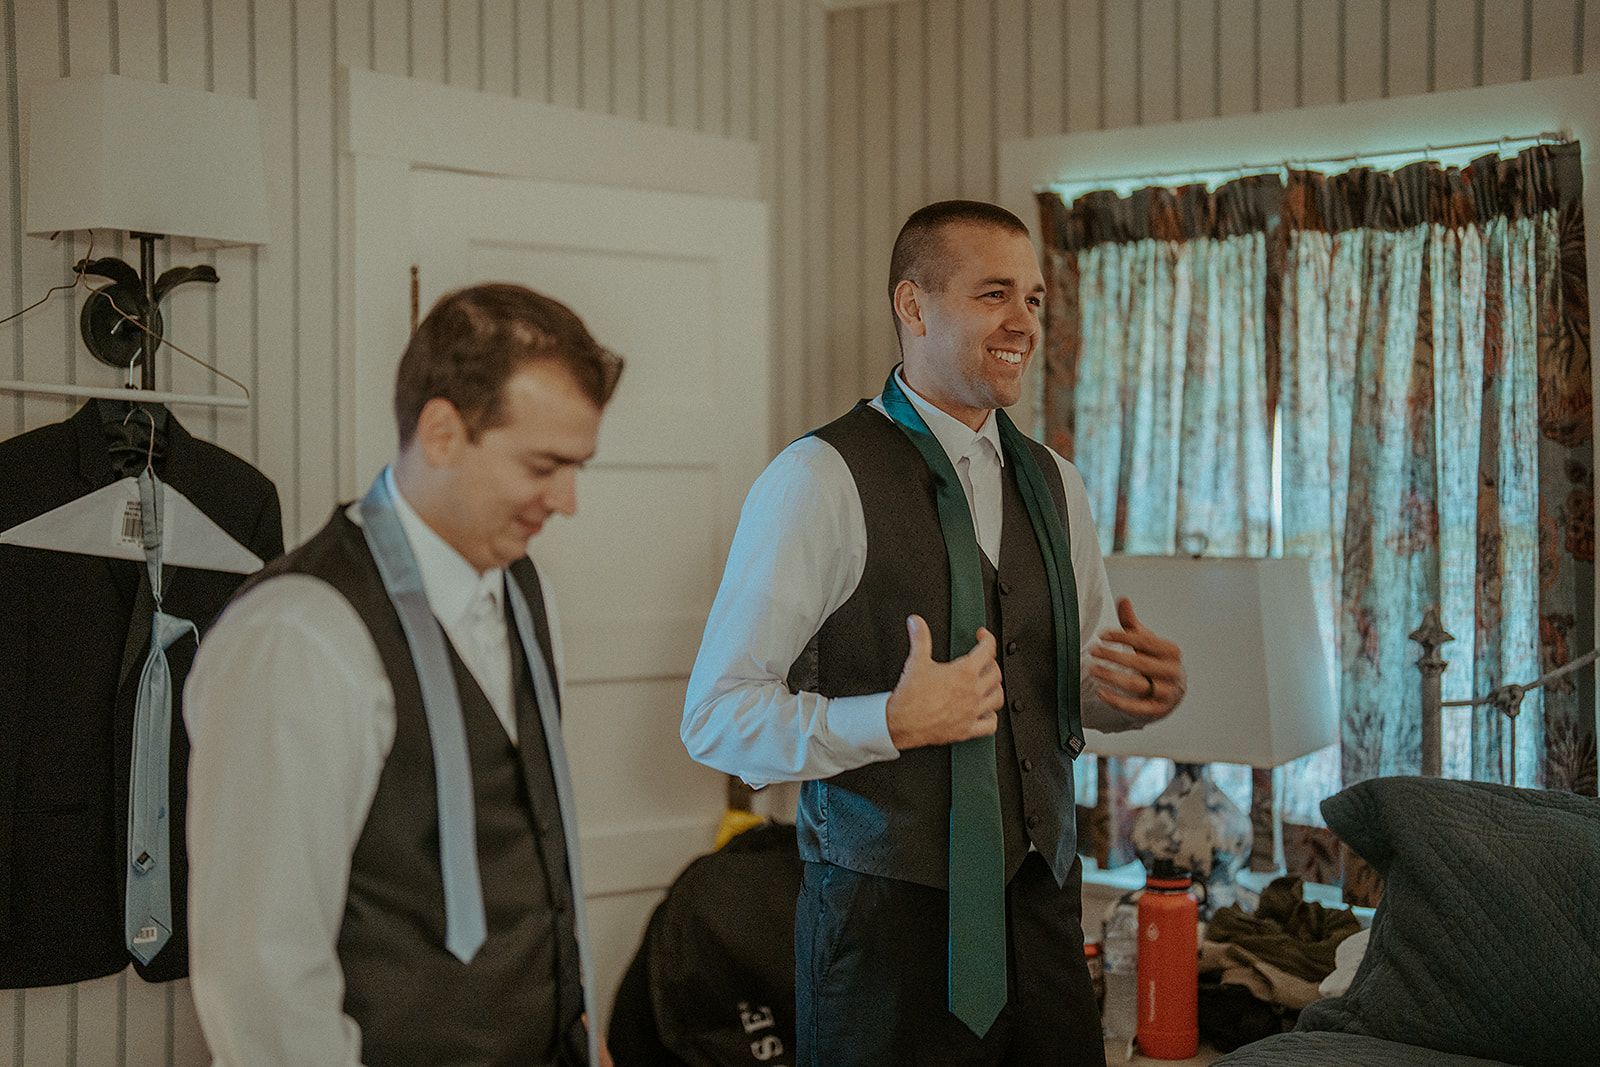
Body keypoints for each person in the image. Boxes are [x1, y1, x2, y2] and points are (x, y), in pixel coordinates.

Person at [682, 200, 1187, 1065]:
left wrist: (1137, 700)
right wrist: (886, 720)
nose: (1023, 322)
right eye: (996, 294)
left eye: (1034, 299)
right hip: (885, 937)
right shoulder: (817, 479)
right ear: (913, 308)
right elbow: (716, 717)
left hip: (1043, 917)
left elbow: (1068, 694)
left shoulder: (1057, 483)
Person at [185, 283, 622, 1066]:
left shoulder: (527, 590)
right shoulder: (300, 635)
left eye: (577, 466)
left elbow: (535, 845)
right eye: (544, 465)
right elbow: (260, 972)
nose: (568, 501)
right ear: (443, 431)